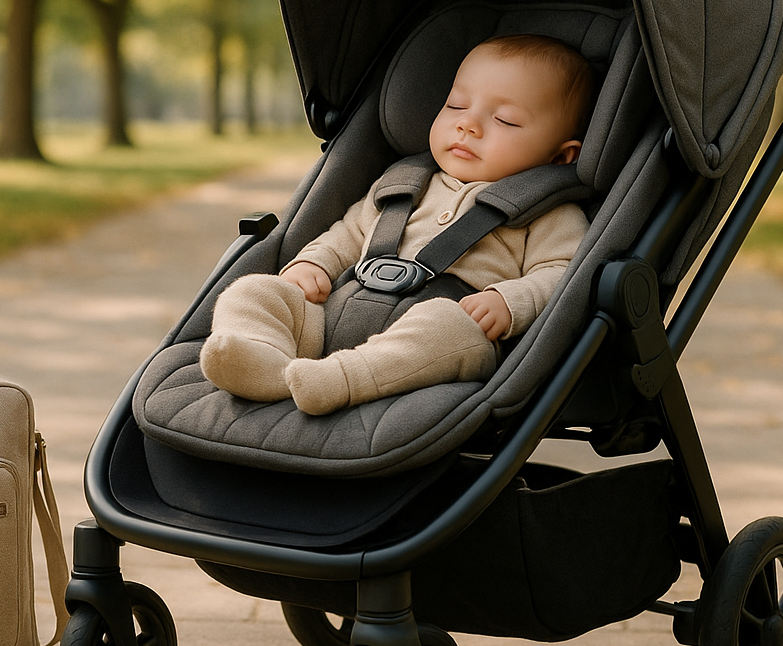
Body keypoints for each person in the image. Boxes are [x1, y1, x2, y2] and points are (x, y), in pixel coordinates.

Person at [201, 33, 592, 415]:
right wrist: (313, 263)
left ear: (560, 157)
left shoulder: (548, 212)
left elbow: (564, 273)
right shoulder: (403, 183)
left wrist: (509, 301)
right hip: (333, 316)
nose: (467, 125)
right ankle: (261, 360)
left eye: (505, 120)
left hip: (445, 332)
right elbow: (350, 233)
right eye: (456, 106)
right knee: (253, 289)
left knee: (443, 327)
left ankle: (341, 380)